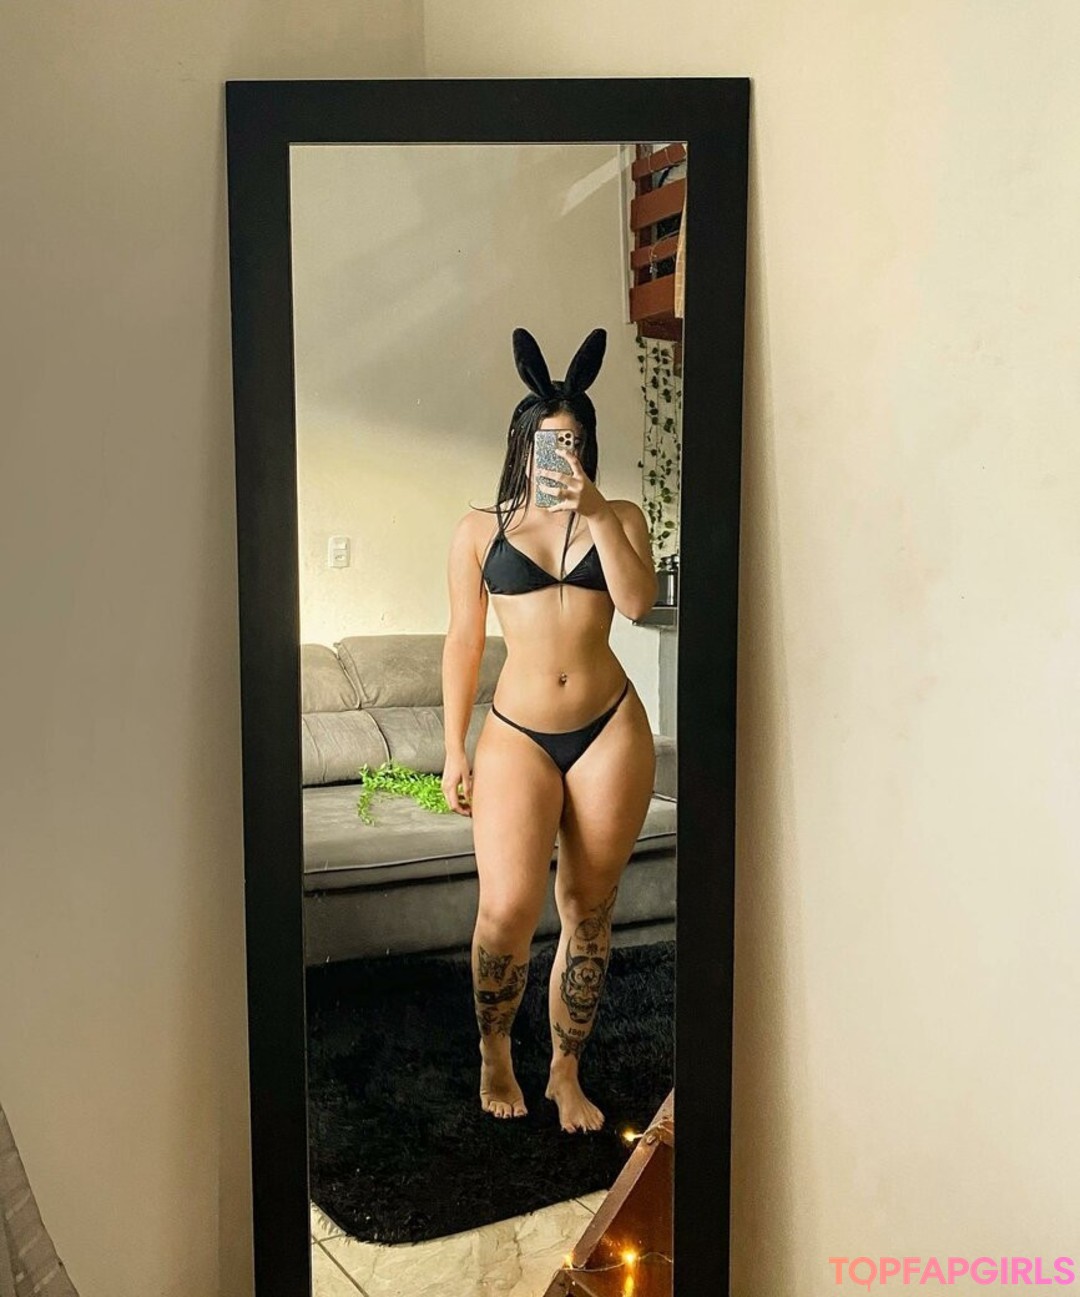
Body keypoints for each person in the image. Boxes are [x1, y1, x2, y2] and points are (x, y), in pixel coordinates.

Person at [441, 327, 658, 1134]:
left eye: (572, 443)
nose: (559, 455)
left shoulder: (620, 517)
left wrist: (594, 509)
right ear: (522, 444)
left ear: (587, 448)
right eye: (547, 443)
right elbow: (463, 642)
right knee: (505, 908)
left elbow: (636, 603)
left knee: (588, 909)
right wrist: (453, 749)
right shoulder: (479, 529)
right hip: (517, 733)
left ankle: (566, 1070)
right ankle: (495, 1049)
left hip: (609, 728)